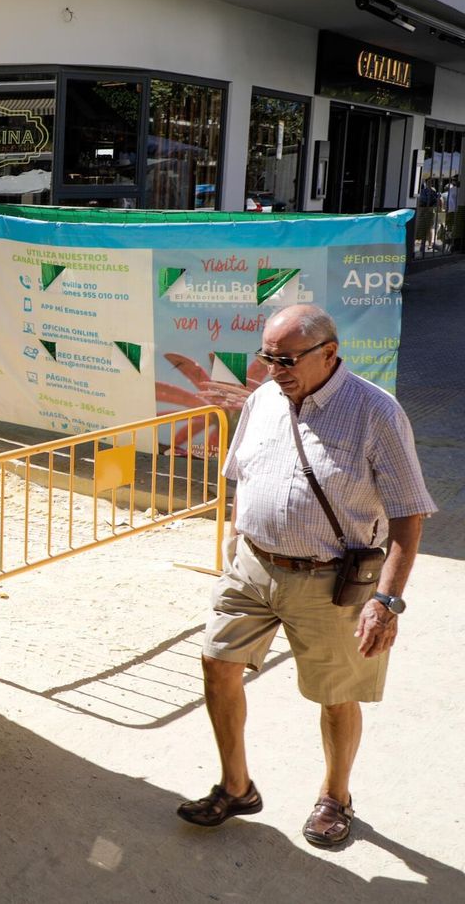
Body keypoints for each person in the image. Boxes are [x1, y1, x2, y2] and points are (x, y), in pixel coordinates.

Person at [178, 304, 433, 847]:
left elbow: (409, 514)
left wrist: (386, 603)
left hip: (331, 580)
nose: (274, 369)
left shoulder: (375, 413)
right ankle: (236, 786)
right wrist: (232, 544)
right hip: (251, 566)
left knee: (335, 694)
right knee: (216, 662)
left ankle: (335, 798)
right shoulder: (263, 400)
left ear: (329, 354)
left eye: (287, 359)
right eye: (267, 357)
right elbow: (240, 475)